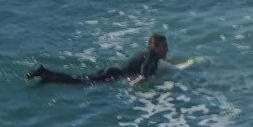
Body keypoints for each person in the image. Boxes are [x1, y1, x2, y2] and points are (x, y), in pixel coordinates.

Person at [28, 33, 168, 86]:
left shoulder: (149, 54)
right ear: (155, 48)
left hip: (112, 72)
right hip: (112, 76)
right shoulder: (152, 55)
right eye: (164, 46)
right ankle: (46, 74)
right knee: (78, 82)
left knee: (79, 79)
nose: (167, 48)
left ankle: (47, 75)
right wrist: (143, 77)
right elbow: (147, 65)